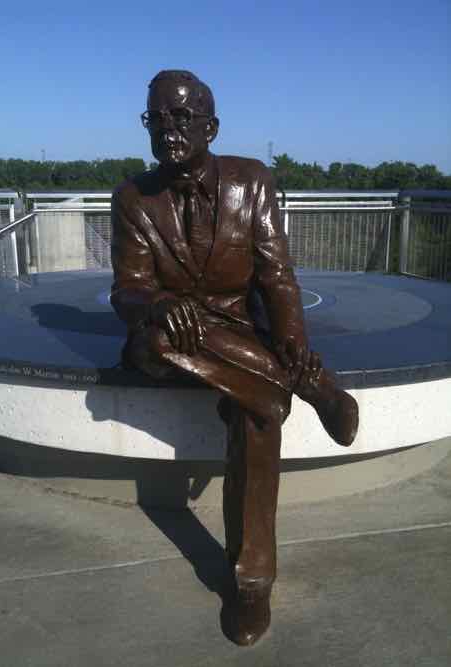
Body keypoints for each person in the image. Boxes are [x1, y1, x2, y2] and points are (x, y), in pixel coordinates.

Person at [111, 70, 358, 646]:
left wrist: (293, 335)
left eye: (180, 118)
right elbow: (125, 289)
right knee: (168, 338)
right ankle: (307, 386)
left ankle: (252, 581)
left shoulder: (252, 182)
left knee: (256, 412)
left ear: (210, 126)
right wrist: (158, 301)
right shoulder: (132, 197)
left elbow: (275, 272)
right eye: (156, 119)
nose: (167, 131)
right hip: (167, 336)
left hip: (234, 333)